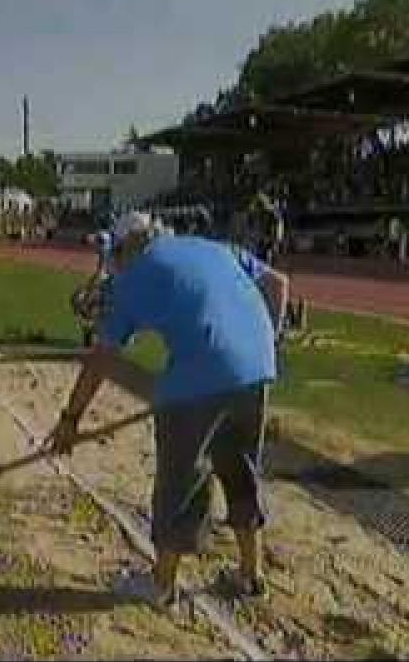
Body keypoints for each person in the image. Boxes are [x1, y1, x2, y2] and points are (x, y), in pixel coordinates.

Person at [48, 211, 289, 610]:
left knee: (180, 479)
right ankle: (250, 575)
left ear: (128, 248)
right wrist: (267, 345)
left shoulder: (134, 277)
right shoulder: (214, 247)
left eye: (115, 255)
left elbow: (101, 359)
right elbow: (278, 284)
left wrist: (70, 420)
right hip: (257, 367)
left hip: (198, 379)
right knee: (239, 468)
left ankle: (161, 583)